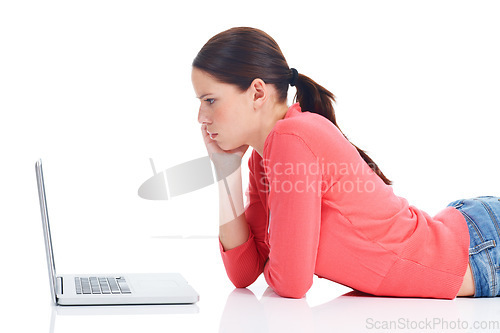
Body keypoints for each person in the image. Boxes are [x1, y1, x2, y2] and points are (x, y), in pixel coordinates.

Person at [191, 27, 499, 299]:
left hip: (481, 249)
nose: (201, 118)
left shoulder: (292, 137)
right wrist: (225, 170)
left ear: (257, 92)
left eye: (210, 100)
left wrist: (278, 259)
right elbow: (244, 273)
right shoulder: (263, 159)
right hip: (470, 235)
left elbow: (291, 282)